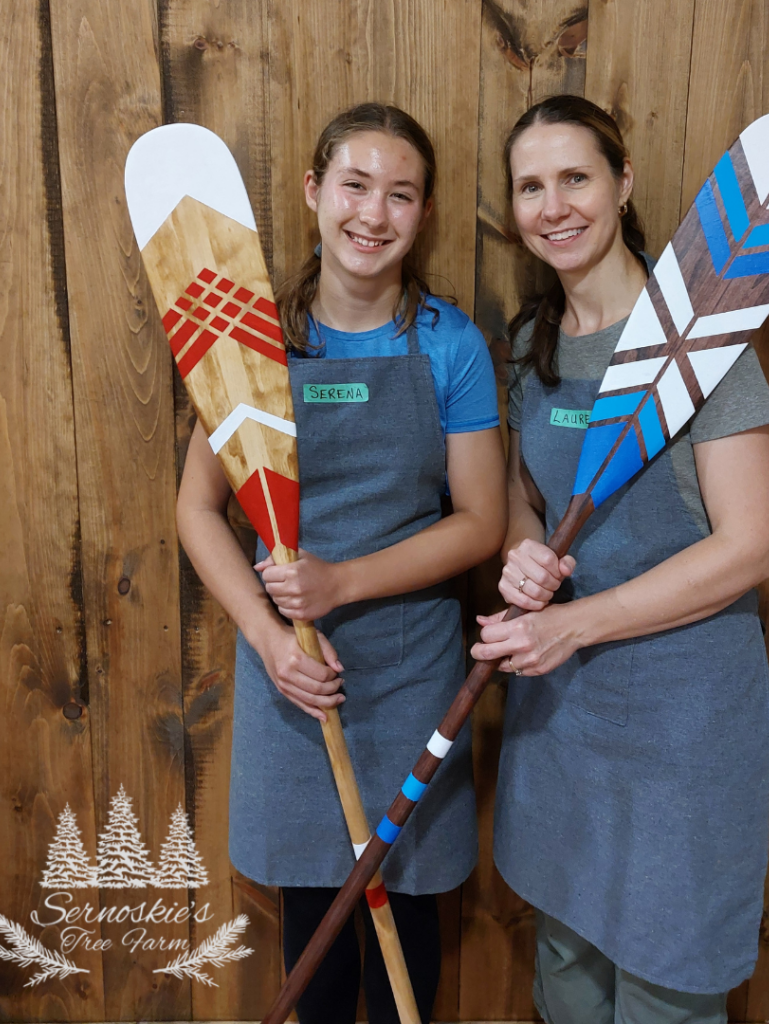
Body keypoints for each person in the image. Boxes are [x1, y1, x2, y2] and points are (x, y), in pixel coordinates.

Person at [176, 102, 507, 1024]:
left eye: (401, 194)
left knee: (409, 919)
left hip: (412, 677)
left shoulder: (449, 344)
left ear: (424, 213)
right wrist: (267, 636)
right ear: (316, 191)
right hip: (293, 678)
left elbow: (482, 523)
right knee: (314, 923)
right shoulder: (249, 341)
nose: (373, 213)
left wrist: (344, 581)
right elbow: (197, 509)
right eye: (355, 185)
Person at [471, 95, 769, 1024]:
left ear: (623, 183)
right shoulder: (532, 347)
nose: (554, 206)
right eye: (532, 186)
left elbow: (753, 543)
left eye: (576, 177)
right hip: (564, 716)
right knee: (566, 962)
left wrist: (576, 623)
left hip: (683, 726)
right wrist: (522, 556)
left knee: (665, 984)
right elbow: (525, 502)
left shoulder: (705, 338)